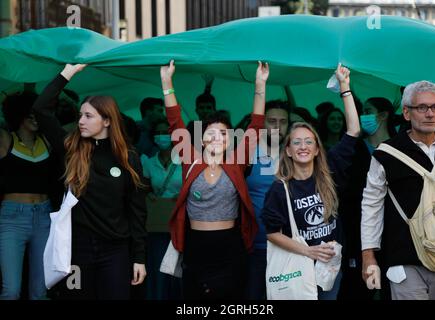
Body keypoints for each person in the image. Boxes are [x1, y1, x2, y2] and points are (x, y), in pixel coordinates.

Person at [32, 64, 147, 300]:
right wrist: (68, 72)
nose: (81, 121)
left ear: (106, 121)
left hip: (116, 251)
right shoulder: (71, 149)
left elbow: (137, 211)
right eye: (80, 115)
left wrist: (139, 258)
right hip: (77, 251)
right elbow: (41, 108)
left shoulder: (128, 158)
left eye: (88, 116)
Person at [160, 60, 268, 300]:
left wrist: (260, 84)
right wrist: (167, 82)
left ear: (230, 140)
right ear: (201, 139)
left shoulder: (236, 163)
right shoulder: (191, 160)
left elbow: (256, 126)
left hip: (230, 247)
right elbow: (175, 121)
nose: (217, 137)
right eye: (211, 132)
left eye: (223, 133)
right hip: (195, 245)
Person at [262, 64, 360, 300]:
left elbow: (354, 130)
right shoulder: (280, 187)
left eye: (309, 142)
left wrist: (344, 88)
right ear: (287, 150)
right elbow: (271, 233)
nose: (303, 147)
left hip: (329, 265)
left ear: (317, 149)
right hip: (298, 264)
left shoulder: (331, 169)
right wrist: (308, 250)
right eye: (296, 142)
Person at [361, 80, 435, 300]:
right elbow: (371, 206)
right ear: (407, 113)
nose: (430, 114)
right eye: (422, 107)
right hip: (405, 260)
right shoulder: (386, 154)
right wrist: (368, 256)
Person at [338, 97, 397, 300]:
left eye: (368, 110)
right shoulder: (354, 147)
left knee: (393, 287)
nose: (364, 115)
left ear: (383, 115)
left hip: (394, 232)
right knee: (358, 288)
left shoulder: (400, 147)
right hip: (358, 230)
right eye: (362, 111)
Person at [0, 91, 56, 300]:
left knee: (40, 292)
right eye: (29, 114)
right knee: (11, 290)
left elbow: (71, 128)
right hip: (13, 218)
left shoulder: (48, 141)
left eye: (37, 114)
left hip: (44, 216)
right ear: (17, 115)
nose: (34, 118)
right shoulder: (6, 139)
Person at [243, 99, 290, 300]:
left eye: (283, 121)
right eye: (271, 121)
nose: (277, 126)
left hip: (290, 248)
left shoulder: (296, 154)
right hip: (254, 247)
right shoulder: (247, 154)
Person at [141, 118, 182, 300]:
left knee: (178, 270)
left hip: (180, 222)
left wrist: (182, 197)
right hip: (157, 223)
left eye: (166, 132)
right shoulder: (149, 162)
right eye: (158, 133)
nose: (162, 136)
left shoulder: (185, 160)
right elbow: (145, 188)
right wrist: (148, 194)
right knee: (157, 266)